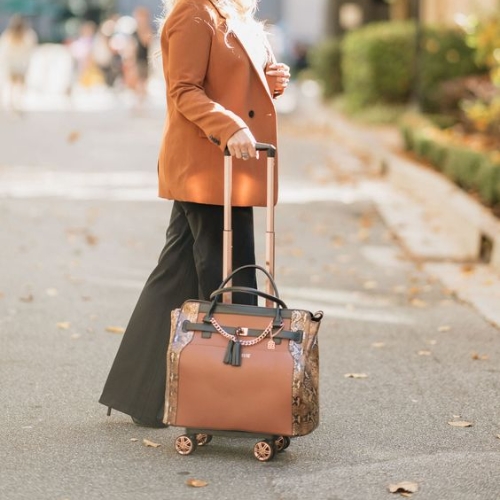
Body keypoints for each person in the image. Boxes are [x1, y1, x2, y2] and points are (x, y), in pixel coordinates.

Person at [99, 0, 290, 427]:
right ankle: (237, 400)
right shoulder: (194, 12)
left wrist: (270, 81)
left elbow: (234, 83)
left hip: (226, 164)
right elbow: (183, 89)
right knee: (233, 277)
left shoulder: (234, 15)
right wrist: (231, 126)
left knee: (177, 274)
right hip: (207, 165)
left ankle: (143, 395)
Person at [0, 14, 38, 112]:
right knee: (16, 84)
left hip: (19, 63)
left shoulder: (25, 35)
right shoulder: (10, 35)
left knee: (17, 84)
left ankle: (16, 102)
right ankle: (14, 102)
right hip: (16, 63)